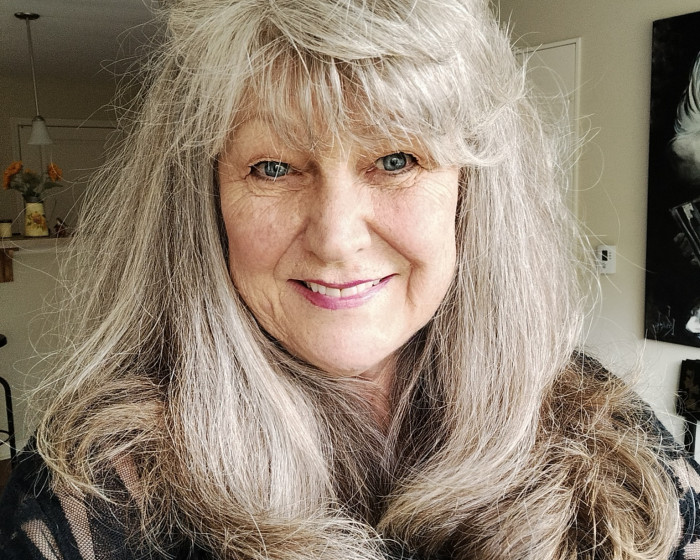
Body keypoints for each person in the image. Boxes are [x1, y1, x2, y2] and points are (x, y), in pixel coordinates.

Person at [1, 0, 700, 558]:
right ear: (203, 199)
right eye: (273, 167)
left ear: (472, 195)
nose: (336, 238)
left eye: (396, 160)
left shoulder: (617, 448)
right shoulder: (92, 494)